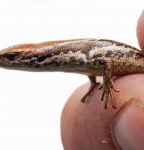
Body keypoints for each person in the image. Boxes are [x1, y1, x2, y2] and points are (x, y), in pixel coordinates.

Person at [61, 11, 144, 150]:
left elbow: (106, 62)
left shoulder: (73, 57)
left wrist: (107, 84)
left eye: (12, 57)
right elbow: (90, 68)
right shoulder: (75, 59)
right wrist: (93, 83)